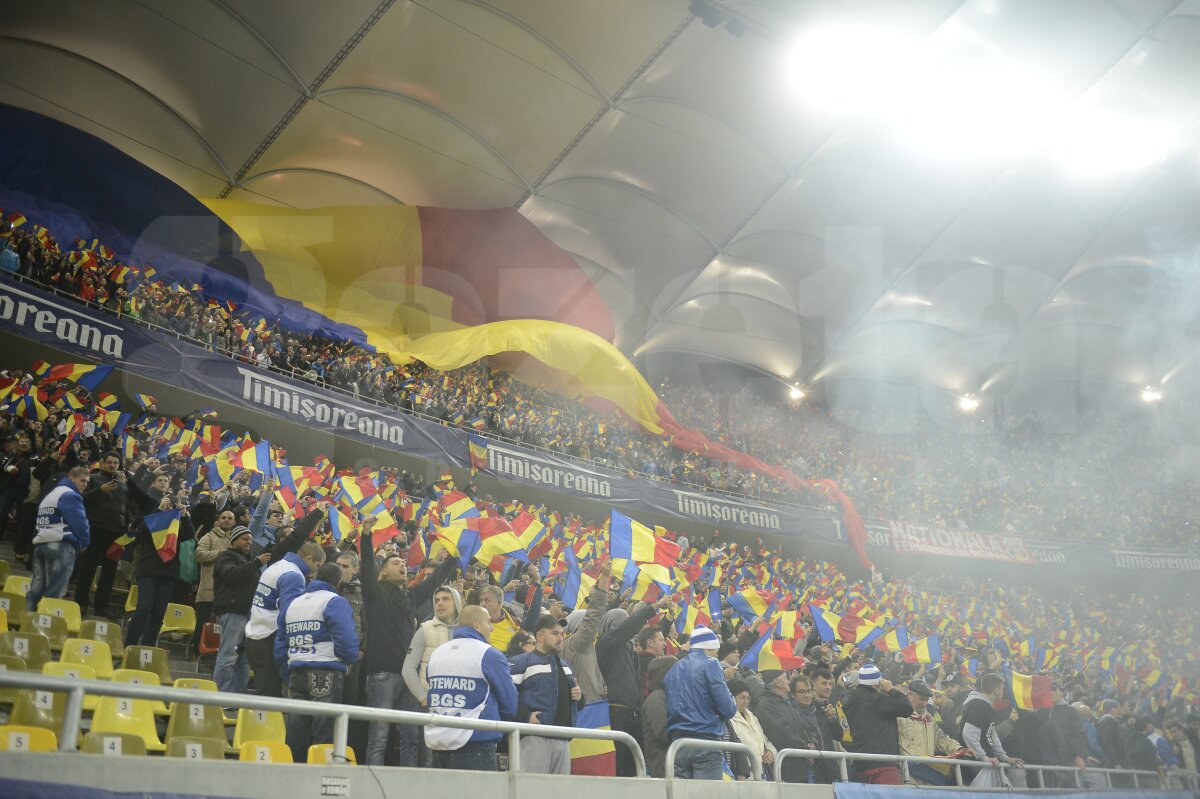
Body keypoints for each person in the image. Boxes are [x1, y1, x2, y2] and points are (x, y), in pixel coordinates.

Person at [358, 527, 458, 766]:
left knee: (411, 737)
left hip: (408, 677)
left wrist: (455, 557)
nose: (402, 565)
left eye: (403, 562)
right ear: (381, 573)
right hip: (382, 674)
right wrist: (366, 535)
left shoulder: (410, 596)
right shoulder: (374, 592)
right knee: (379, 736)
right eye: (394, 563)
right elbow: (366, 570)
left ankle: (408, 785)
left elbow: (435, 579)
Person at [275, 561, 359, 764]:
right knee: (324, 735)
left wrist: (287, 673)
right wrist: (349, 661)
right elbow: (346, 638)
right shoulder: (334, 601)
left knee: (296, 733)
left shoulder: (293, 603)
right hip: (326, 671)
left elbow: (280, 645)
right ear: (338, 581)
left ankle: (293, 780)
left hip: (296, 672)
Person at [426, 605, 518, 771]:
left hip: (438, 744)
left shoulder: (437, 654)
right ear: (476, 625)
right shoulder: (490, 655)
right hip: (476, 744)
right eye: (488, 622)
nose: (491, 627)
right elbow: (510, 704)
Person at [597, 596, 672, 776]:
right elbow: (629, 628)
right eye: (624, 623)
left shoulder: (629, 652)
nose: (629, 629)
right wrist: (653, 607)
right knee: (617, 769)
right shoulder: (606, 643)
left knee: (635, 771)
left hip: (634, 714)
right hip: (617, 714)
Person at [244, 540, 326, 697]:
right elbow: (290, 614)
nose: (317, 571)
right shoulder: (294, 576)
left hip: (254, 633)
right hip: (269, 638)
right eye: (318, 565)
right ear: (309, 558)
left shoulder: (278, 565)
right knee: (270, 696)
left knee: (263, 692)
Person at [124, 469, 196, 646]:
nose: (169, 508)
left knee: (158, 614)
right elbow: (140, 535)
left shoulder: (176, 524)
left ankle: (147, 647)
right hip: (148, 571)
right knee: (143, 610)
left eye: (171, 506)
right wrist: (158, 510)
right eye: (167, 505)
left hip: (169, 573)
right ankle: (130, 645)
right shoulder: (151, 518)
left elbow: (189, 535)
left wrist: (184, 516)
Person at [508, 614, 583, 774]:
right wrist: (525, 716)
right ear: (540, 636)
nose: (560, 638)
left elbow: (575, 703)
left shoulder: (566, 666)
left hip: (563, 740)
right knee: (531, 791)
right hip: (534, 738)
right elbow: (505, 696)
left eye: (562, 634)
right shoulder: (521, 662)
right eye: (555, 633)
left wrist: (579, 696)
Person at [663, 625, 737, 780]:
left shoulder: (673, 669)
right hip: (705, 741)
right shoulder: (711, 664)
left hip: (678, 744)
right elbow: (728, 709)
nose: (716, 655)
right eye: (716, 651)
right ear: (710, 648)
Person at [841, 663, 916, 784]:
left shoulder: (849, 700)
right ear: (878, 682)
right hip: (883, 765)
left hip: (859, 765)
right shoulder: (879, 699)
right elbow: (907, 708)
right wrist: (891, 689)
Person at [26, 466, 90, 609]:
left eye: (87, 482)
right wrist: (84, 542)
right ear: (71, 478)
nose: (85, 485)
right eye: (82, 480)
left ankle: (27, 622)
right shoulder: (70, 495)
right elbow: (80, 522)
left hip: (41, 544)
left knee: (35, 591)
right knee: (54, 595)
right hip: (60, 545)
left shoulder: (52, 493)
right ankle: (44, 629)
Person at [75, 451, 128, 618]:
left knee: (109, 572)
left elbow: (126, 509)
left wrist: (130, 521)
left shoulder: (123, 486)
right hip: (96, 528)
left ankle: (101, 607)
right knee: (88, 568)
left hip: (117, 532)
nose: (112, 465)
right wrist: (100, 491)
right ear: (102, 463)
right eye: (109, 462)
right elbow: (80, 499)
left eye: (115, 463)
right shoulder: (93, 479)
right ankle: (80, 603)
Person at [402, 583, 462, 705]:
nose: (439, 603)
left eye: (445, 599)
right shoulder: (425, 629)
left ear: (456, 603)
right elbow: (408, 668)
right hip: (431, 703)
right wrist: (423, 697)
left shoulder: (467, 631)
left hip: (459, 702)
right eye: (437, 600)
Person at [561, 559, 611, 705]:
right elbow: (593, 615)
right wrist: (605, 577)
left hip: (591, 705)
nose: (595, 628)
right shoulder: (577, 643)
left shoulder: (581, 645)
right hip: (588, 708)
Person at [961, 673, 1024, 787]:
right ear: (996, 691)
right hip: (976, 765)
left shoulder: (987, 706)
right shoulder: (978, 705)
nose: (1003, 692)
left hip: (985, 763)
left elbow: (992, 735)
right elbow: (969, 733)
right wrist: (983, 757)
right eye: (1002, 689)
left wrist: (1005, 758)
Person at [898, 680, 966, 785]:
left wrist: (959, 749)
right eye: (921, 699)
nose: (924, 703)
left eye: (926, 700)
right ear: (910, 694)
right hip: (907, 774)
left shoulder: (928, 716)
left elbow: (939, 737)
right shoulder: (898, 714)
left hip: (928, 772)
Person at [755, 669, 815, 783]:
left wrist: (812, 743)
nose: (789, 681)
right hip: (785, 768)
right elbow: (782, 733)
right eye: (786, 678)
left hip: (798, 764)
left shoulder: (786, 702)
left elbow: (804, 727)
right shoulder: (766, 705)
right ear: (777, 682)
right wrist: (805, 749)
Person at [192, 507, 237, 651]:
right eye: (223, 517)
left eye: (230, 518)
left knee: (221, 629)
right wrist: (220, 554)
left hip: (227, 593)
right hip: (208, 591)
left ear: (234, 522)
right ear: (218, 520)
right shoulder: (209, 536)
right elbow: (198, 555)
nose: (226, 520)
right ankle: (195, 652)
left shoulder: (236, 541)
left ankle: (212, 656)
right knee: (202, 625)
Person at [728, 676, 776, 780]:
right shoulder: (729, 719)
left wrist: (772, 752)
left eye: (748, 698)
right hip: (743, 775)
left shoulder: (752, 717)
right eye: (741, 697)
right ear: (732, 697)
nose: (745, 701)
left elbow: (765, 740)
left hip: (761, 774)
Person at [642, 654, 678, 778]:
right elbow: (662, 731)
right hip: (662, 768)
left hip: (672, 765)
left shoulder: (668, 697)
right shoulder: (656, 698)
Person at [1045, 684, 1089, 786]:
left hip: (1070, 759)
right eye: (1048, 690)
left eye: (1054, 689)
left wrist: (1079, 755)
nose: (1051, 692)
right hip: (1048, 760)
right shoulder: (1042, 711)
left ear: (1062, 692)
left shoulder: (1071, 711)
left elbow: (1078, 734)